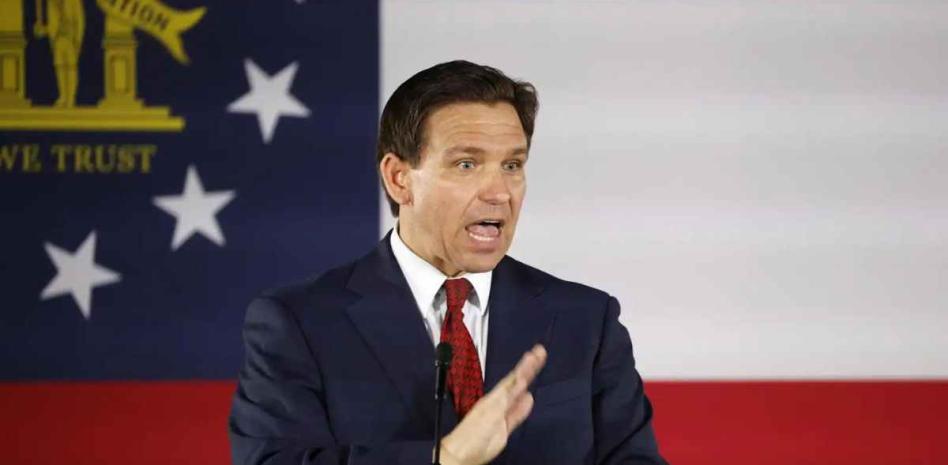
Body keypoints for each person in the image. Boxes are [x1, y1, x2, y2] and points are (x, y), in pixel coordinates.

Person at [229, 60, 667, 465]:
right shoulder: (300, 324)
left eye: (512, 164)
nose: (499, 192)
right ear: (399, 179)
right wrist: (448, 458)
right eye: (466, 164)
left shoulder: (586, 321)